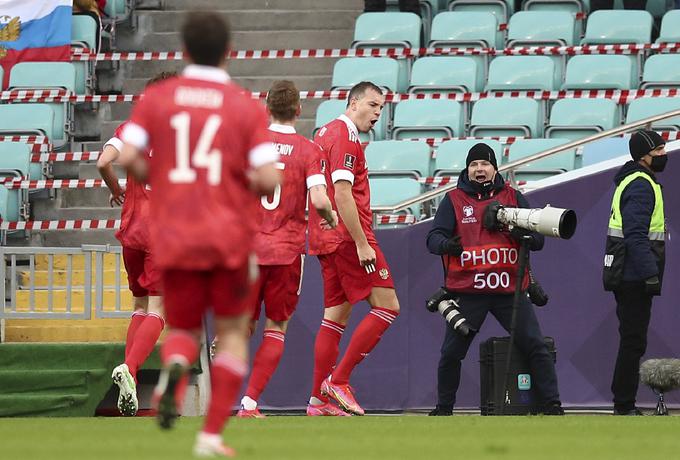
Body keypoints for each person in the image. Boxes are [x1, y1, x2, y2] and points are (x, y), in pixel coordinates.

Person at [119, 11, 280, 457]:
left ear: (184, 51)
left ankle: (172, 365)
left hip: (174, 233)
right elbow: (269, 178)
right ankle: (210, 436)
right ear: (228, 53)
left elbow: (128, 155)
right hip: (227, 234)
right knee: (230, 333)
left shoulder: (158, 99)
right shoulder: (244, 105)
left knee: (182, 324)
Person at [425, 143, 563, 416]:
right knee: (451, 354)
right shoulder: (452, 200)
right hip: (468, 290)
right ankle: (443, 409)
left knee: (536, 345)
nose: (479, 169)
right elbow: (432, 238)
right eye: (474, 165)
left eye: (484, 164)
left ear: (495, 169)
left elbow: (537, 240)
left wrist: (514, 231)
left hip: (509, 290)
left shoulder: (513, 197)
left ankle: (553, 406)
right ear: (467, 169)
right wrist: (446, 245)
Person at [236, 80, 338, 418]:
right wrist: (330, 216)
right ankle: (249, 403)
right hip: (285, 252)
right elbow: (320, 199)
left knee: (241, 326)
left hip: (248, 250)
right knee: (276, 327)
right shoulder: (309, 151)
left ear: (266, 108)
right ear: (298, 110)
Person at [306, 81, 400, 416]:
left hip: (323, 237)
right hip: (349, 236)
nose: (377, 114)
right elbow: (342, 192)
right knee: (387, 306)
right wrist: (362, 242)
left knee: (335, 317)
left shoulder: (323, 132)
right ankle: (339, 380)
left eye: (381, 108)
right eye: (373, 105)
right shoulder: (346, 137)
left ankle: (318, 401)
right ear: (354, 102)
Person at [98, 71, 176, 417]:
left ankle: (126, 384)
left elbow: (102, 162)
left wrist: (115, 189)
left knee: (140, 305)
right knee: (160, 310)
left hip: (131, 230)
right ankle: (129, 368)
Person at [603, 130, 667, 416]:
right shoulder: (642, 185)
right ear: (644, 155)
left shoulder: (632, 180)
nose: (664, 155)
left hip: (627, 273)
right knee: (633, 340)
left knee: (631, 339)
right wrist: (650, 273)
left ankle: (624, 401)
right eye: (659, 151)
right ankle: (624, 404)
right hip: (633, 276)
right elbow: (636, 235)